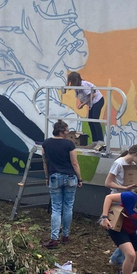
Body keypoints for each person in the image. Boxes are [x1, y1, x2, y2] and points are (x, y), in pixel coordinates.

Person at [40, 120, 84, 249]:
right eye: (66, 131)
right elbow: (74, 163)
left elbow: (45, 162)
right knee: (68, 207)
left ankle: (54, 238)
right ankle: (65, 236)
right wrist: (80, 179)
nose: (68, 133)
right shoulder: (69, 144)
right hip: (70, 177)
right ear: (61, 132)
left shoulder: (46, 143)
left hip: (54, 177)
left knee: (56, 208)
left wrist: (47, 177)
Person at [105, 145, 137, 267]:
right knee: (129, 231)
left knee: (134, 232)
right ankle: (125, 261)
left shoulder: (132, 165)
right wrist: (124, 188)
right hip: (118, 200)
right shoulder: (118, 163)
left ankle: (119, 259)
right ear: (136, 154)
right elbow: (108, 183)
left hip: (128, 200)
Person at [65, 72, 105, 143]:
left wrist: (83, 104)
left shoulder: (83, 85)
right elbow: (80, 96)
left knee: (95, 120)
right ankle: (95, 141)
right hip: (91, 103)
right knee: (90, 121)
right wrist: (80, 104)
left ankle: (100, 140)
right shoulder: (77, 88)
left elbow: (92, 95)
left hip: (98, 101)